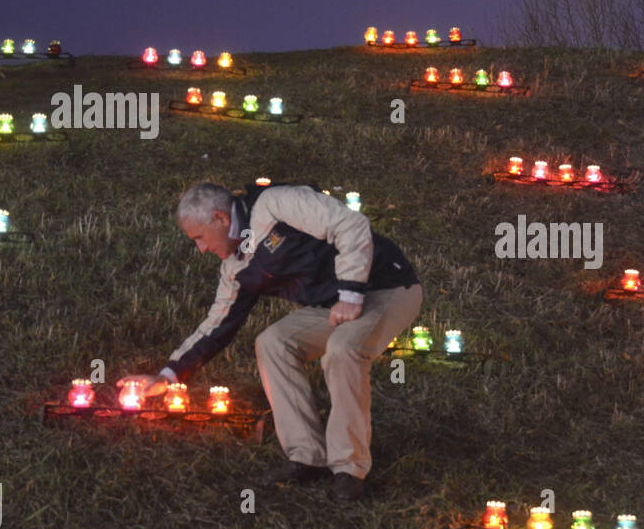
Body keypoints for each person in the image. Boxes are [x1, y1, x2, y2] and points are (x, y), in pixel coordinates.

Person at [118, 181, 422, 502]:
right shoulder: (237, 266)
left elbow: (351, 224)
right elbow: (217, 324)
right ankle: (306, 456)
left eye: (199, 238)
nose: (201, 249)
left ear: (221, 219)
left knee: (343, 350)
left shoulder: (276, 205)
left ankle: (349, 468)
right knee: (273, 342)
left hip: (386, 288)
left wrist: (350, 292)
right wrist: (167, 376)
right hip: (333, 306)